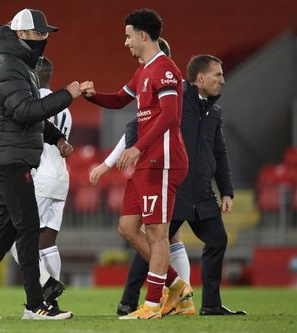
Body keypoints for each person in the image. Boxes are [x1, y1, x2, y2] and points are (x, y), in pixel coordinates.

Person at [0, 8, 80, 320]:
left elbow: (25, 113)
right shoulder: (8, 64)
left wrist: (56, 137)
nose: (44, 38)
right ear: (21, 34)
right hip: (9, 157)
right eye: (39, 33)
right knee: (28, 227)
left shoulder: (15, 63)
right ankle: (36, 304)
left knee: (8, 230)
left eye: (46, 33)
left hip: (11, 154)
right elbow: (24, 111)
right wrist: (67, 95)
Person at [104, 54, 247, 316]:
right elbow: (136, 125)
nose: (223, 81)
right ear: (200, 78)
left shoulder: (214, 112)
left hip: (202, 193)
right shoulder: (176, 101)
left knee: (217, 241)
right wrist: (112, 160)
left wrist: (226, 190)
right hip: (176, 187)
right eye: (218, 75)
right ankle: (128, 301)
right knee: (156, 244)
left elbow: (219, 152)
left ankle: (211, 305)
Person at [80, 9, 192, 320]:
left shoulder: (166, 70)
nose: (125, 41)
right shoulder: (143, 70)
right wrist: (91, 96)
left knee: (157, 232)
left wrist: (138, 147)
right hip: (146, 161)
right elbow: (118, 99)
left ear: (143, 36)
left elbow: (170, 116)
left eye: (128, 35)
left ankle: (153, 305)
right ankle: (178, 288)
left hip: (163, 160)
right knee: (128, 228)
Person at [9, 57, 72, 312]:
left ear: (33, 73)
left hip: (40, 176)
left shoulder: (35, 103)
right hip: (60, 176)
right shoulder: (64, 105)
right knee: (48, 243)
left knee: (15, 241)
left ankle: (46, 285)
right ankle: (52, 299)